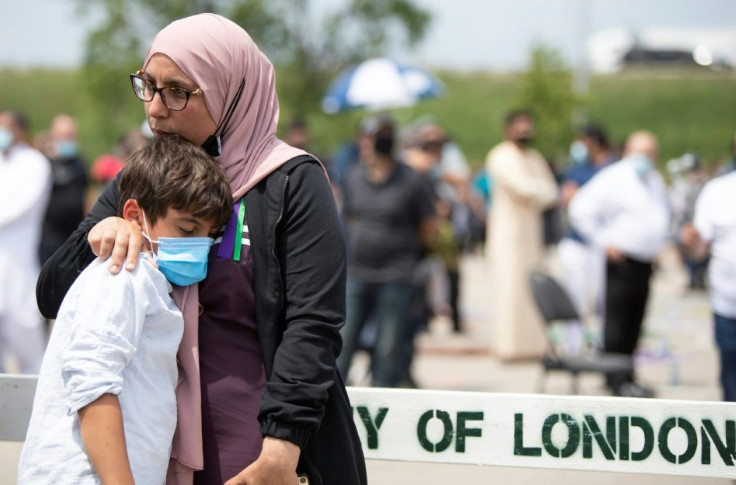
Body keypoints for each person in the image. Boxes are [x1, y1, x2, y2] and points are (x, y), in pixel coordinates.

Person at [36, 13, 366, 485]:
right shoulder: (147, 177)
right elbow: (52, 295)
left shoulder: (291, 182)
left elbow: (313, 323)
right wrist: (98, 235)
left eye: (177, 91)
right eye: (147, 85)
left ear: (229, 91)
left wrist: (281, 449)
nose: (154, 109)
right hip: (147, 454)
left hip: (255, 454)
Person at [19, 136, 233, 485]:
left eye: (208, 236)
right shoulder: (124, 274)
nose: (198, 246)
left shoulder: (153, 283)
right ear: (134, 215)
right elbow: (93, 383)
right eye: (187, 229)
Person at [337, 113, 437, 388]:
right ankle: (334, 406)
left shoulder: (411, 181)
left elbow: (429, 227)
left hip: (397, 274)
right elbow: (349, 219)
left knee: (388, 347)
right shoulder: (353, 176)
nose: (369, 145)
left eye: (376, 139)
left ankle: (382, 404)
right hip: (357, 273)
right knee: (343, 343)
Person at [569, 130, 669, 398]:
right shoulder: (614, 177)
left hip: (644, 261)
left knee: (635, 321)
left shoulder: (653, 179)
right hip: (621, 261)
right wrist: (603, 241)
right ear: (627, 152)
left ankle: (628, 376)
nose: (645, 158)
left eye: (650, 153)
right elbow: (580, 208)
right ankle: (614, 378)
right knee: (617, 323)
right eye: (640, 152)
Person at [485, 109, 558, 360]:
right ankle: (508, 347)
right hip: (508, 235)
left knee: (531, 289)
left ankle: (533, 347)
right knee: (509, 289)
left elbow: (550, 192)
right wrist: (537, 191)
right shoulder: (500, 155)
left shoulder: (534, 158)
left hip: (531, 235)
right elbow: (523, 188)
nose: (524, 132)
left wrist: (536, 191)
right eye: (519, 126)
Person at [557, 124, 618, 351]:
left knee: (604, 301)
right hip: (578, 242)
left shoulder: (613, 168)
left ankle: (604, 344)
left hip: (605, 244)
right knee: (576, 298)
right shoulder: (577, 168)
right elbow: (566, 198)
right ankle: (573, 345)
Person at [0, 110, 51, 373]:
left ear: (19, 131)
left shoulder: (34, 163)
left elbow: (19, 206)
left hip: (19, 270)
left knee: (31, 356)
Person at [682, 170, 736, 401]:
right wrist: (689, 241)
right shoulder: (718, 190)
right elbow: (698, 250)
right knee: (731, 381)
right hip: (728, 305)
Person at [39, 114, 88, 265]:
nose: (68, 140)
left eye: (71, 135)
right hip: (48, 234)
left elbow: (86, 193)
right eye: (64, 136)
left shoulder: (79, 162)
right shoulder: (42, 162)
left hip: (73, 233)